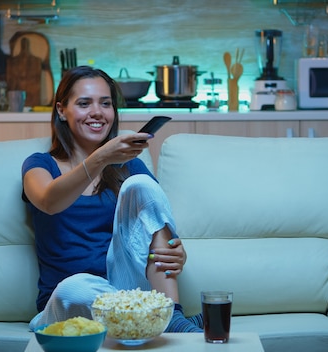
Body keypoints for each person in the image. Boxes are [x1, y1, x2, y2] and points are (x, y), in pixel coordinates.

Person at [22, 65, 203, 333]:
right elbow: (49, 202)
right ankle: (157, 322)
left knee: (141, 183)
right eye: (84, 103)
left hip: (128, 291)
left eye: (105, 104)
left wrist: (176, 251)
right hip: (71, 300)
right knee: (75, 287)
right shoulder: (39, 165)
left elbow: (155, 230)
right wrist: (101, 157)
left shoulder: (130, 167)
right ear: (61, 110)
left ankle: (170, 317)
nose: (97, 112)